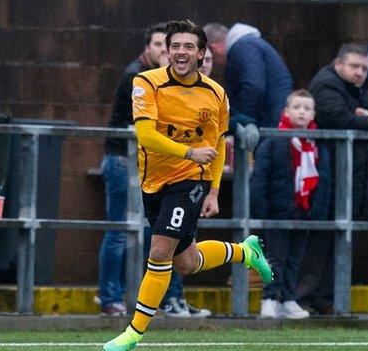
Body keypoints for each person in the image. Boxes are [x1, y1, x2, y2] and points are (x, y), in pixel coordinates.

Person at [102, 20, 273, 351]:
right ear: (167, 51)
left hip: (189, 181)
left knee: (159, 251)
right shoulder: (146, 82)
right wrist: (189, 150)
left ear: (201, 53)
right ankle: (245, 251)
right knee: (185, 262)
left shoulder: (215, 93)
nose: (181, 52)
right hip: (153, 181)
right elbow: (147, 135)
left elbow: (218, 143)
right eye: (175, 46)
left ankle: (133, 334)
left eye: (189, 47)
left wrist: (212, 190)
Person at [98, 23, 210, 318]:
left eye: (170, 46)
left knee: (165, 237)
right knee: (121, 232)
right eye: (161, 46)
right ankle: (111, 298)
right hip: (126, 161)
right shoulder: (140, 77)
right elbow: (150, 129)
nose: (168, 52)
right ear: (148, 48)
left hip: (164, 167)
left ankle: (169, 299)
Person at [299, 43, 368, 314]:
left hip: (353, 174)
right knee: (324, 237)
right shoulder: (326, 85)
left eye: (364, 68)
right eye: (354, 66)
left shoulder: (359, 87)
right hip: (328, 175)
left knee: (341, 236)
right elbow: (339, 118)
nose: (360, 73)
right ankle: (306, 297)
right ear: (338, 64)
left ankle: (326, 298)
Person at [251, 89, 332, 319]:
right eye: (297, 107)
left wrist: (318, 211)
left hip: (304, 211)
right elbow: (260, 178)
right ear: (286, 111)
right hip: (278, 211)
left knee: (295, 258)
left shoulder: (317, 145)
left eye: (307, 108)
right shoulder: (274, 141)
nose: (302, 112)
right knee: (275, 258)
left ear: (313, 114)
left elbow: (323, 180)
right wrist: (262, 210)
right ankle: (269, 298)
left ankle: (287, 299)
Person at [204, 22, 293, 152]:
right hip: (273, 119)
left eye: (210, 58)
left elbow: (253, 85)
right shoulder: (250, 44)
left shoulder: (242, 46)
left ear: (214, 48)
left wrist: (243, 120)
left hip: (270, 122)